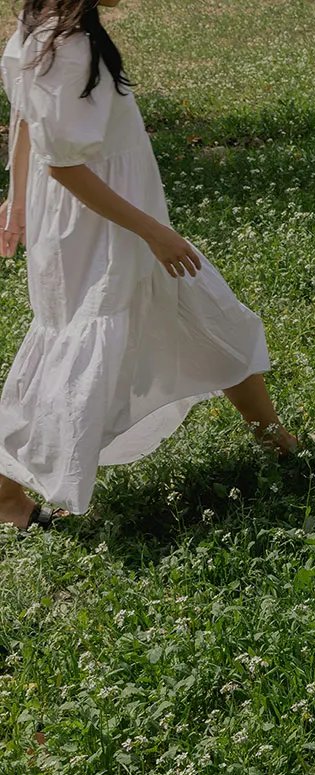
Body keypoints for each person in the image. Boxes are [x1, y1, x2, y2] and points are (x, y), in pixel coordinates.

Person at [0, 0, 296, 530]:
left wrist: (18, 199)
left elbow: (26, 120)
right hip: (98, 228)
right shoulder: (66, 46)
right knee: (92, 342)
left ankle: (276, 438)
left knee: (203, 311)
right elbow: (63, 162)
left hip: (103, 216)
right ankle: (5, 491)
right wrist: (153, 232)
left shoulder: (43, 30)